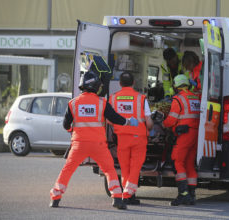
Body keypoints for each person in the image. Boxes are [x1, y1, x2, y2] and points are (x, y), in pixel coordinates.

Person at [49, 70, 139, 210]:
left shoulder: (73, 103)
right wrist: (128, 122)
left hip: (78, 145)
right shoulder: (102, 102)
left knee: (67, 170)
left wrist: (72, 131)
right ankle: (117, 199)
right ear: (96, 86)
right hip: (98, 145)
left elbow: (66, 125)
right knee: (109, 170)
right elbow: (115, 118)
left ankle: (55, 198)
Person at [109, 72, 154, 205]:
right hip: (139, 138)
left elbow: (109, 120)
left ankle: (128, 194)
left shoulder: (113, 98)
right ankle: (128, 194)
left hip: (121, 138)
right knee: (135, 167)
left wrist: (120, 126)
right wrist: (149, 129)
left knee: (125, 168)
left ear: (120, 83)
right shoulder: (141, 98)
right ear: (134, 83)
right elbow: (149, 122)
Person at [162, 74, 201, 206]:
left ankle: (183, 194)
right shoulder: (195, 97)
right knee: (189, 163)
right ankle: (191, 194)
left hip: (184, 134)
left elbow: (172, 119)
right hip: (196, 135)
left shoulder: (178, 99)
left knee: (177, 161)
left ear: (176, 86)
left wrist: (163, 123)